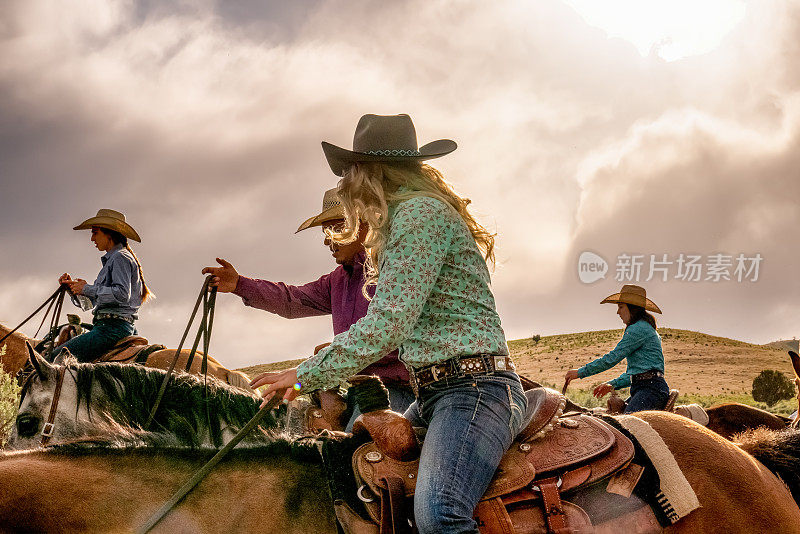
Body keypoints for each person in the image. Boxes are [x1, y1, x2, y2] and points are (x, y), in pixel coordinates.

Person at [250, 114, 527, 534]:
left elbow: (389, 322)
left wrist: (304, 376)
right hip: (438, 392)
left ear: (370, 173)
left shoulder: (418, 215)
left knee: (440, 516)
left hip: (472, 391)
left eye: (351, 173)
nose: (346, 186)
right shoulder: (406, 221)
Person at [201, 188, 414, 430]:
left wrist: (323, 358)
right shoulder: (337, 281)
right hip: (359, 389)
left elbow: (386, 339)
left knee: (353, 448)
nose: (326, 240)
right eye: (325, 232)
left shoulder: (394, 270)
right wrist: (240, 284)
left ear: (361, 226)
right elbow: (293, 300)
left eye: (334, 229)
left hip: (398, 391)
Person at [53, 209, 152, 362]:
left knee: (54, 359)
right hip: (110, 326)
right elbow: (91, 304)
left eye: (95, 233)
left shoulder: (120, 257)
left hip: (112, 328)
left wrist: (86, 288)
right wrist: (73, 290)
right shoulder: (115, 259)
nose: (92, 238)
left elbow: (121, 294)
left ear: (109, 234)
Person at [564, 284, 669, 413]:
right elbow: (639, 375)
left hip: (650, 390)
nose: (618, 312)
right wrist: (612, 385)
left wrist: (580, 372)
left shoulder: (638, 329)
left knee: (626, 426)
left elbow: (612, 358)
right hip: (648, 388)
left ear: (632, 308)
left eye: (620, 307)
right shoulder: (646, 327)